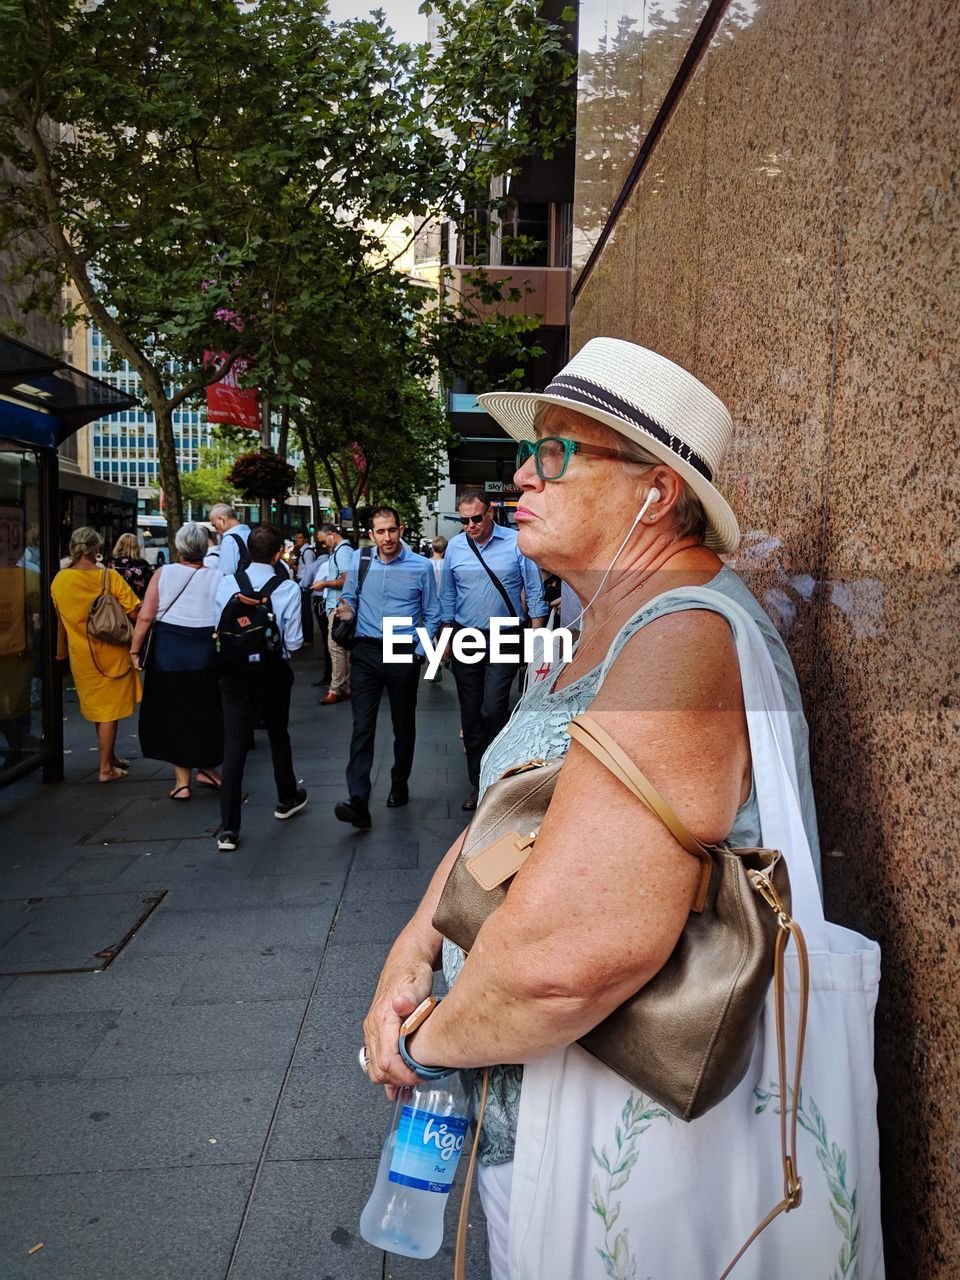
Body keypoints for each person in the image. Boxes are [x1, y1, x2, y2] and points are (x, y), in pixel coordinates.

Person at [360, 339, 834, 1276]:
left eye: (554, 452)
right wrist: (412, 945)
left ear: (655, 491)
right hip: (550, 1126)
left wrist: (424, 1044)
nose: (518, 478)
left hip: (628, 1151)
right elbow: (509, 813)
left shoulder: (686, 635)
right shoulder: (601, 623)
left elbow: (568, 963)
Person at [332, 507, 441, 828]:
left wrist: (419, 652)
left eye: (392, 530)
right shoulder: (360, 561)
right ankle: (358, 801)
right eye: (380, 531)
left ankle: (399, 781)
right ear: (371, 534)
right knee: (361, 726)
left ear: (401, 529)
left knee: (402, 724)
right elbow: (348, 597)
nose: (387, 537)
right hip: (366, 649)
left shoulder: (421, 567)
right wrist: (347, 613)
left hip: (401, 650)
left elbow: (432, 613)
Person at [439, 490, 547, 810]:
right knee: (471, 714)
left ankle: (499, 776)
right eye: (464, 520)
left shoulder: (515, 542)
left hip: (506, 635)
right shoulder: (456, 548)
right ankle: (479, 781)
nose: (470, 525)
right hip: (466, 636)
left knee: (493, 707)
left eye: (476, 518)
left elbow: (534, 588)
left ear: (490, 512)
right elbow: (447, 594)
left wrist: (539, 632)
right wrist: (444, 636)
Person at [213, 524, 307, 851]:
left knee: (234, 746)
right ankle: (286, 797)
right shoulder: (288, 588)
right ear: (278, 554)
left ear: (246, 552)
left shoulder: (226, 584)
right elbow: (293, 642)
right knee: (278, 733)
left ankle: (228, 828)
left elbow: (218, 629)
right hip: (272, 673)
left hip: (234, 674)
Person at [130, 522, 223, 800]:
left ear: (180, 548)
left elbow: (146, 617)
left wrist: (135, 651)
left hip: (168, 653)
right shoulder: (218, 576)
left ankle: (182, 783)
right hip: (205, 653)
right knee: (205, 712)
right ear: (205, 549)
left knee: (173, 713)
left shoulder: (164, 573)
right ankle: (207, 769)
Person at [51, 526, 140, 782]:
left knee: (97, 708)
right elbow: (134, 611)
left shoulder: (60, 580)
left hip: (81, 655)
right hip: (112, 653)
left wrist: (60, 654)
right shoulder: (109, 578)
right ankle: (105, 769)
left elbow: (60, 621)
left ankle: (109, 757)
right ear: (97, 550)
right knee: (109, 711)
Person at [312, 523, 355, 705]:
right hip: (338, 605)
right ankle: (344, 686)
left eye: (323, 541)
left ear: (332, 535)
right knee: (343, 648)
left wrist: (325, 584)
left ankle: (336, 688)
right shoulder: (341, 551)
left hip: (338, 607)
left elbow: (346, 580)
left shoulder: (343, 552)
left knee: (336, 648)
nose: (323, 545)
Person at [209, 502, 251, 578]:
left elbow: (225, 574)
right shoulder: (251, 533)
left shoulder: (229, 540)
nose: (215, 529)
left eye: (214, 525)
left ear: (222, 519)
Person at [108, 532, 154, 600]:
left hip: (117, 604)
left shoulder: (112, 563)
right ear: (136, 547)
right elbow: (152, 586)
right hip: (138, 604)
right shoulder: (144, 565)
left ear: (119, 545)